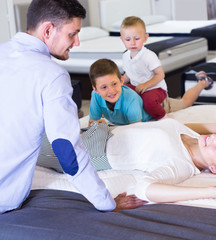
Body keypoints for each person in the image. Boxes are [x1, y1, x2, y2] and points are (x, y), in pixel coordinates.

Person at [0, 0, 145, 214]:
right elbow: (67, 151)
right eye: (72, 34)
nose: (77, 43)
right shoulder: (52, 74)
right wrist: (107, 203)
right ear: (48, 30)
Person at [39, 118, 216, 203]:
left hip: (91, 152)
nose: (214, 139)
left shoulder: (181, 165)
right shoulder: (195, 137)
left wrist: (211, 192)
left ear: (213, 169)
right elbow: (172, 124)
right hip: (100, 129)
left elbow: (146, 188)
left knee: (20, 141)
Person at [119, 16, 213, 120]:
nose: (132, 43)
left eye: (136, 39)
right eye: (128, 39)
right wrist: (120, 83)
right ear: (122, 39)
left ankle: (202, 82)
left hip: (155, 89)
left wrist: (146, 85)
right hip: (140, 90)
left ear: (145, 38)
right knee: (120, 91)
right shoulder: (125, 56)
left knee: (183, 103)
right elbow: (129, 73)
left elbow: (160, 74)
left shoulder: (148, 56)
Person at [88, 58, 212, 126]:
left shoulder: (130, 99)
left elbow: (136, 130)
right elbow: (92, 123)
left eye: (114, 84)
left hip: (157, 106)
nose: (111, 91)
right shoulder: (96, 96)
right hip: (135, 104)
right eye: (104, 87)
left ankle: (203, 82)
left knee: (184, 103)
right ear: (95, 89)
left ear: (121, 80)